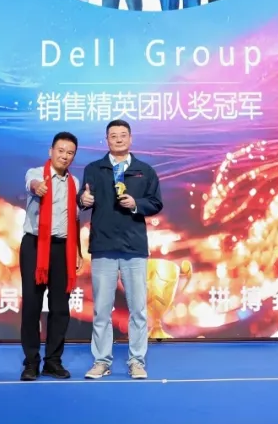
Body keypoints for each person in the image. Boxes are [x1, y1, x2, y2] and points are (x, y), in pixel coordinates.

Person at [78, 119, 163, 379]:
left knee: (138, 310)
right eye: (113, 135)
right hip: (103, 247)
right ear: (106, 140)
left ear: (130, 139)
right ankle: (101, 361)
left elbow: (156, 203)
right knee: (101, 311)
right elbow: (83, 197)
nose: (118, 139)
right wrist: (83, 199)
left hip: (134, 248)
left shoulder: (144, 171)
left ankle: (137, 361)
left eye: (123, 135)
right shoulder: (94, 169)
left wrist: (136, 204)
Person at [19, 132, 83, 381]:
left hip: (63, 249)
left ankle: (53, 361)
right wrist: (38, 187)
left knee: (60, 308)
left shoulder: (74, 182)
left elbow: (74, 220)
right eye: (61, 150)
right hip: (35, 246)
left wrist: (77, 251)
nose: (65, 156)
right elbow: (31, 184)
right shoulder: (36, 173)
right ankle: (31, 362)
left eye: (70, 153)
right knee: (32, 306)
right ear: (51, 151)